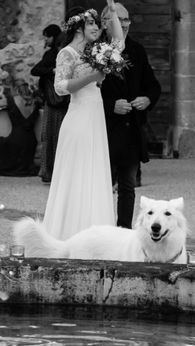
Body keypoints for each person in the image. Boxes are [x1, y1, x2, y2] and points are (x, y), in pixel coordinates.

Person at [41, 2, 123, 241]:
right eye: (91, 23)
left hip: (95, 118)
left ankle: (95, 234)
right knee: (77, 175)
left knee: (95, 173)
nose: (97, 27)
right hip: (78, 119)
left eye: (97, 24)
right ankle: (68, 234)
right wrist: (92, 77)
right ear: (79, 27)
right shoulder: (66, 53)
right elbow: (60, 87)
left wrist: (114, 12)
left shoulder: (95, 51)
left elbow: (119, 42)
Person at [100, 2, 161, 229]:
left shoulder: (137, 50)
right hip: (105, 129)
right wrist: (110, 105)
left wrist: (147, 100)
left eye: (126, 20)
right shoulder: (95, 51)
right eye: (119, 20)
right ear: (106, 23)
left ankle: (124, 231)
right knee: (102, 186)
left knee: (127, 187)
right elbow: (83, 94)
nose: (124, 25)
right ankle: (102, 229)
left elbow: (153, 86)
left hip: (132, 131)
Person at [31, 24, 68, 184]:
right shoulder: (52, 55)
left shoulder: (57, 54)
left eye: (47, 36)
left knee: (54, 137)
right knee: (52, 137)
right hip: (56, 102)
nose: (45, 39)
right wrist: (52, 70)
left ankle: (54, 172)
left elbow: (35, 70)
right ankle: (51, 172)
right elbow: (36, 70)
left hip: (58, 103)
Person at [0, 90, 41, 176]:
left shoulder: (11, 100)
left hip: (16, 139)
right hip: (31, 142)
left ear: (17, 89)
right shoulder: (37, 102)